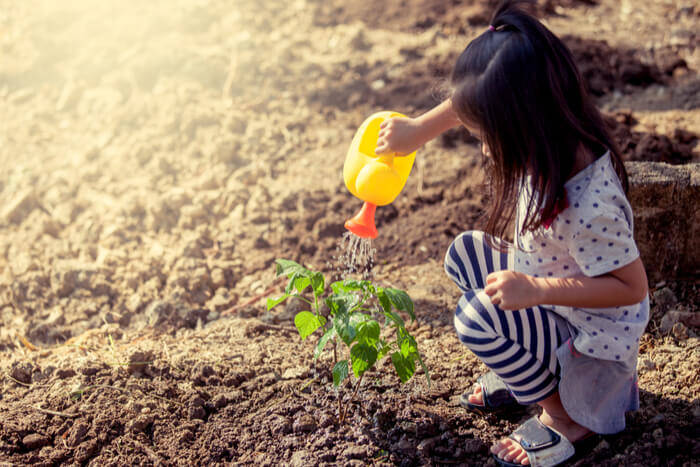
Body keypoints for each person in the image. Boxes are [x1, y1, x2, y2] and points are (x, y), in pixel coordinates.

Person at [374, 1, 650, 465]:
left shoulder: (588, 205)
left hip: (593, 343)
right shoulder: (545, 134)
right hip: (556, 299)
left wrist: (537, 289)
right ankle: (532, 366)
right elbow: (471, 102)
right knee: (465, 255)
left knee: (475, 319)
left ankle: (567, 414)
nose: (484, 146)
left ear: (521, 122)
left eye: (488, 136)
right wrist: (417, 132)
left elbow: (631, 288)